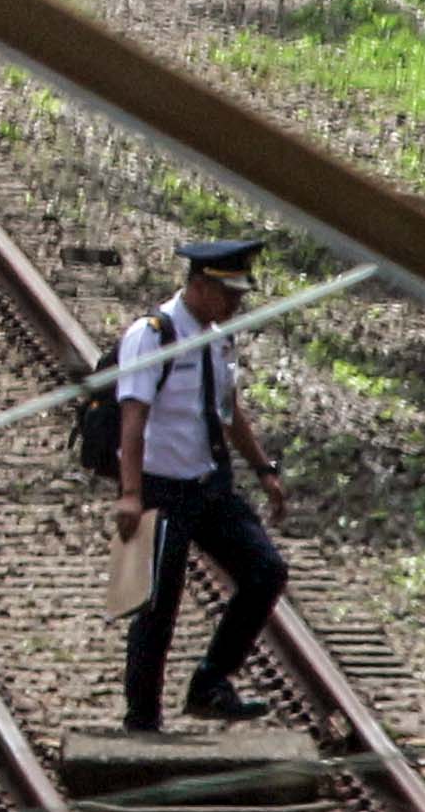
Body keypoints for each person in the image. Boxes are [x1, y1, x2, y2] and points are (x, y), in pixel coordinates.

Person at [119, 234, 295, 732]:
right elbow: (133, 418)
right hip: (160, 488)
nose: (236, 304)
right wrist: (130, 495)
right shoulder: (154, 334)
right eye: (229, 294)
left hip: (207, 485)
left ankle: (210, 682)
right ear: (198, 286)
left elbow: (227, 409)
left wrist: (263, 468)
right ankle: (143, 717)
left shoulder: (218, 336)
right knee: (158, 604)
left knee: (265, 571)